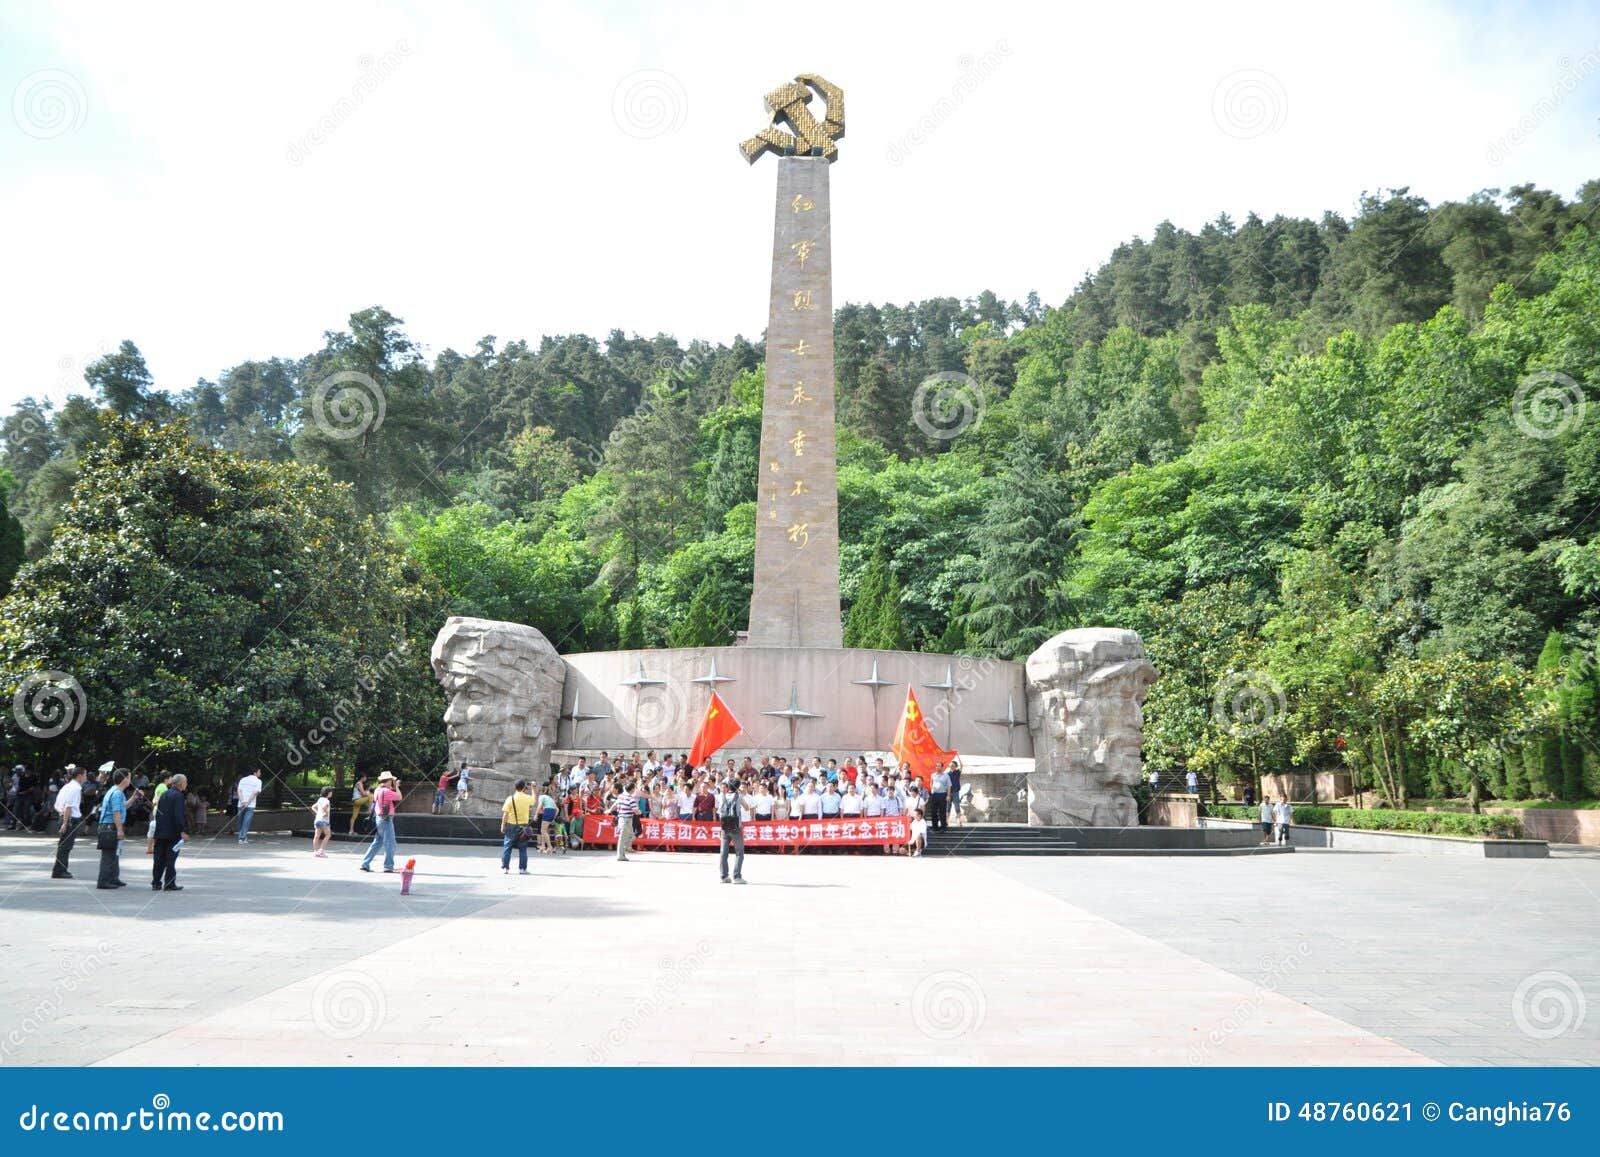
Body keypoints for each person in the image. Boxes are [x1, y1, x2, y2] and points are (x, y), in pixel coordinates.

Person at [151, 773, 189, 891]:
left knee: (159, 858)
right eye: (186, 782)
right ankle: (169, 883)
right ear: (181, 783)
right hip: (173, 832)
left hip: (161, 831)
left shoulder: (164, 794)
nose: (186, 784)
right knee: (170, 858)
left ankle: (156, 882)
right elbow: (178, 815)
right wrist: (182, 831)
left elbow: (158, 813)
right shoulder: (178, 796)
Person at [50, 765, 88, 879]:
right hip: (70, 819)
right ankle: (59, 870)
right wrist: (65, 823)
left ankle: (60, 869)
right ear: (80, 776)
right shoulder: (75, 788)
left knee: (63, 846)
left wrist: (62, 815)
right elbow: (69, 806)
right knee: (65, 846)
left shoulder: (66, 787)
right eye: (85, 775)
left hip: (65, 817)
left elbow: (57, 805)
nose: (86, 777)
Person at [360, 772, 402, 873]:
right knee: (390, 843)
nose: (392, 782)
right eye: (391, 781)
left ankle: (365, 863)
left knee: (377, 842)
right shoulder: (386, 791)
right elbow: (399, 797)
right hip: (386, 819)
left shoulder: (377, 790)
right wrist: (397, 787)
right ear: (388, 781)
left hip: (379, 818)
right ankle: (388, 866)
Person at [96, 769, 131, 889]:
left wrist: (134, 798)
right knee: (109, 855)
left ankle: (113, 878)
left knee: (115, 853)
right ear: (125, 779)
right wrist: (120, 830)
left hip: (108, 826)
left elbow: (123, 807)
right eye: (129, 777)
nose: (130, 780)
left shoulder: (115, 791)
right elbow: (116, 813)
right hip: (110, 826)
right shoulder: (117, 793)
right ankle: (103, 881)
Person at [715, 777, 748, 884]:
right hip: (736, 827)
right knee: (739, 852)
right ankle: (737, 876)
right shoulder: (739, 796)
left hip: (724, 827)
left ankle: (724, 876)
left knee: (723, 852)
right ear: (738, 787)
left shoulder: (722, 796)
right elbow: (747, 808)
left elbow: (719, 809)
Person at [500, 779, 535, 874]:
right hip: (523, 827)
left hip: (511, 826)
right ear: (524, 788)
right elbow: (534, 800)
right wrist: (533, 789)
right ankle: (522, 869)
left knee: (507, 847)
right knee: (523, 848)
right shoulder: (527, 798)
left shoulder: (510, 798)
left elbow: (505, 814)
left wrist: (503, 826)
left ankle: (505, 868)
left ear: (515, 787)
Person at [610, 778, 638, 862]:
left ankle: (622, 852)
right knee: (624, 837)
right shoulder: (630, 798)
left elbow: (615, 805)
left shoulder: (621, 796)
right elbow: (636, 810)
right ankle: (620, 855)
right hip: (626, 820)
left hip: (624, 819)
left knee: (630, 835)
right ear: (632, 789)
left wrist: (609, 810)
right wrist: (639, 811)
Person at [235, 768, 263, 844]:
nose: (260, 773)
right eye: (259, 772)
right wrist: (248, 802)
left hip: (241, 804)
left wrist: (242, 801)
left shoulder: (243, 779)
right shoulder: (258, 781)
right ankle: (242, 838)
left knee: (240, 821)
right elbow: (255, 793)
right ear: (255, 772)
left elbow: (239, 790)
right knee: (246, 822)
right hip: (250, 805)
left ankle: (242, 838)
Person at [311, 787, 334, 857]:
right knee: (328, 835)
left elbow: (313, 807)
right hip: (324, 820)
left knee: (317, 836)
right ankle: (321, 851)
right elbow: (324, 807)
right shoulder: (327, 801)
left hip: (318, 819)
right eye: (331, 792)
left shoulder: (320, 799)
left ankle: (315, 851)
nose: (332, 793)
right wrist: (325, 813)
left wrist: (318, 813)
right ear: (328, 793)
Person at [929, 763, 951, 831]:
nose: (937, 767)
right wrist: (932, 789)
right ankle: (935, 827)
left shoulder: (946, 775)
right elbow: (931, 783)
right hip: (935, 794)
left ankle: (943, 827)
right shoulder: (933, 775)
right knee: (933, 811)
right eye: (936, 766)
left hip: (942, 794)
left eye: (939, 766)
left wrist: (948, 795)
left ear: (942, 767)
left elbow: (949, 786)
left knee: (942, 811)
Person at [537, 782, 558, 854]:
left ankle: (549, 847)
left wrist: (535, 815)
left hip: (547, 811)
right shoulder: (550, 798)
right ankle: (543, 846)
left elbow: (539, 806)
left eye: (539, 792)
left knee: (543, 831)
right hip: (552, 812)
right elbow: (557, 809)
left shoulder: (541, 797)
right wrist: (553, 818)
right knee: (544, 830)